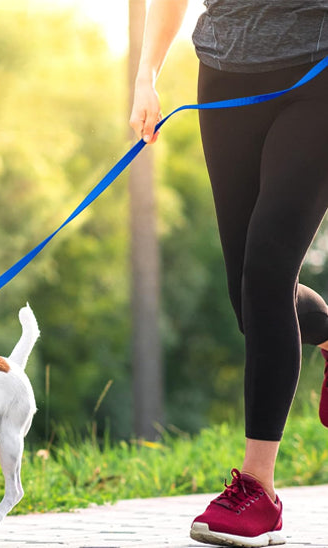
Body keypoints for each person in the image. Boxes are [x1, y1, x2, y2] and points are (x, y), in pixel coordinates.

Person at [130, 0, 328, 546]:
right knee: (250, 299)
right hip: (224, 72)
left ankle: (258, 491)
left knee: (267, 274)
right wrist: (147, 76)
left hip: (318, 73)